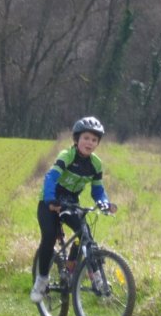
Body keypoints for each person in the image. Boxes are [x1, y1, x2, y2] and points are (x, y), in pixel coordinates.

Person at [30, 116, 116, 303]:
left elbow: (98, 189)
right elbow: (50, 178)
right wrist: (51, 199)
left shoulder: (96, 164)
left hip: (70, 202)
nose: (90, 143)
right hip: (49, 200)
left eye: (94, 140)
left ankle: (83, 275)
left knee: (85, 235)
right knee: (50, 235)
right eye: (86, 138)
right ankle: (41, 280)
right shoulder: (66, 156)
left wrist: (104, 202)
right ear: (77, 139)